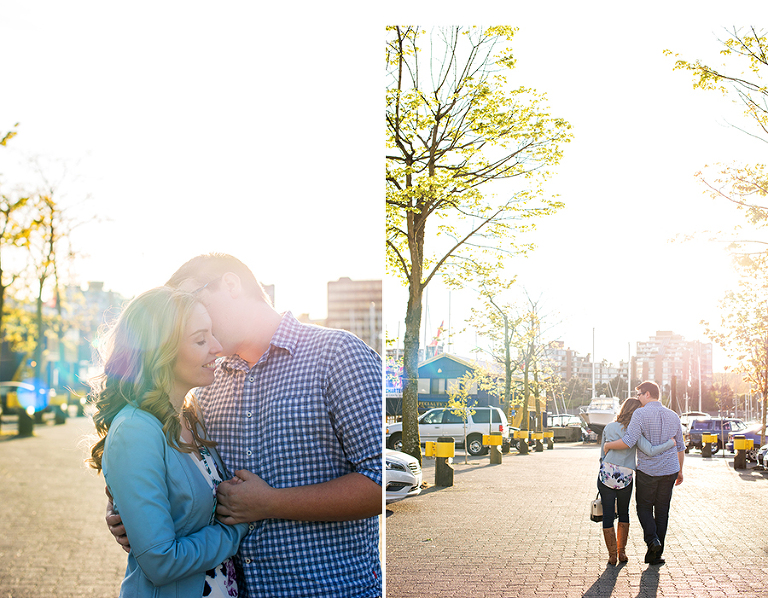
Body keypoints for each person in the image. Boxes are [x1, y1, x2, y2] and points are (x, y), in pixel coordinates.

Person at [106, 253, 383, 598]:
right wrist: (129, 509)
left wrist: (271, 503)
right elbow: (178, 476)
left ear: (231, 284)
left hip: (331, 590)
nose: (192, 318)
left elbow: (381, 480)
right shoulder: (205, 384)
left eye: (193, 301)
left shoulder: (339, 355)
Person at [88, 287, 249, 597]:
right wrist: (239, 526)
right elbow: (161, 561)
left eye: (212, 335)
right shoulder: (135, 430)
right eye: (201, 339)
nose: (216, 347)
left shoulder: (191, 415)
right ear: (161, 352)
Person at [603, 380, 685, 566]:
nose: (638, 398)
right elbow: (680, 446)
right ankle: (656, 555)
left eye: (639, 394)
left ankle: (652, 541)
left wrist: (608, 446)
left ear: (647, 394)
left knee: (644, 508)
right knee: (662, 511)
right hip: (670, 470)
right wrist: (680, 471)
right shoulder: (674, 415)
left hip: (648, 471)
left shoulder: (640, 413)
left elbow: (629, 440)